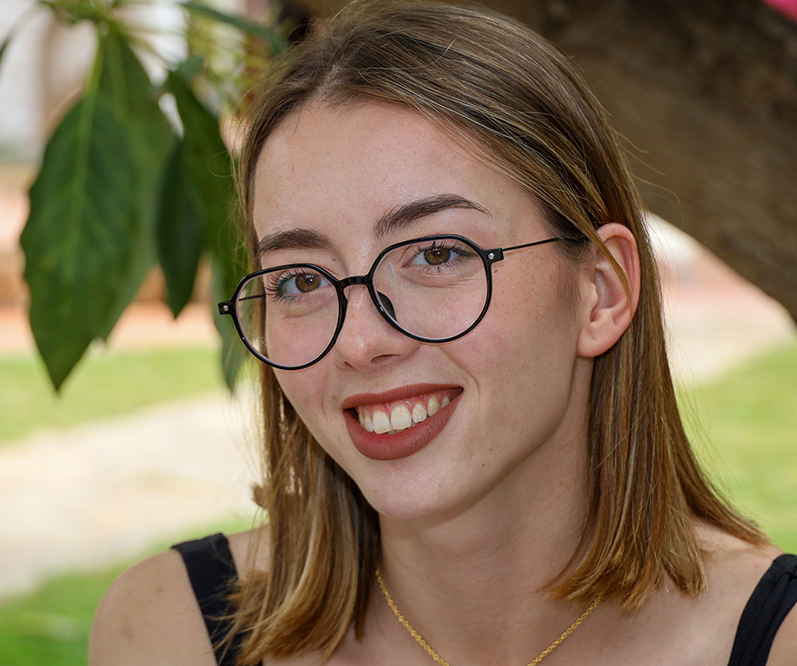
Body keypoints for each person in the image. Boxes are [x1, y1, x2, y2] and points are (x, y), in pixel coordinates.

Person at [89, 2, 797, 664]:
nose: (360, 342)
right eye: (301, 280)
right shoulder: (172, 631)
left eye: (435, 254)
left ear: (601, 290)